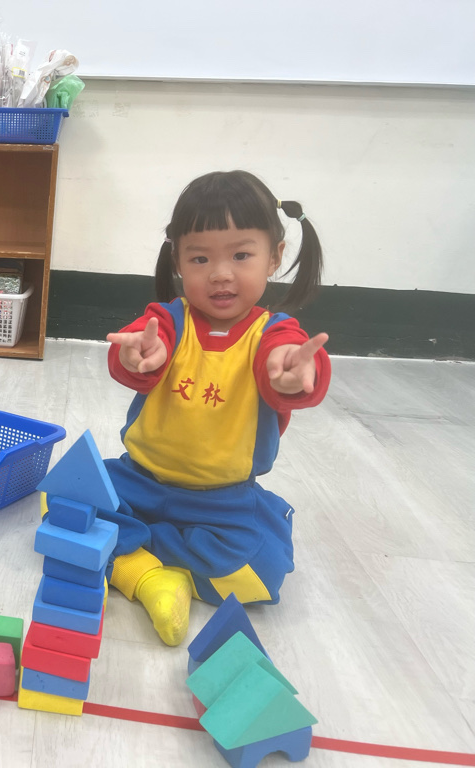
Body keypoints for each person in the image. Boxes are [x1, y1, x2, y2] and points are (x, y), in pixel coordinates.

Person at [100, 170, 331, 646]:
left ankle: (133, 557)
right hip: (139, 478)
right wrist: (137, 356)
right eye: (200, 258)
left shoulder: (273, 334)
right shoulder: (168, 320)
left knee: (262, 573)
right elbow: (141, 347)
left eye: (241, 255)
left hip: (222, 499)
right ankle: (153, 577)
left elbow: (289, 361)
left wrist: (293, 374)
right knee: (59, 495)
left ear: (275, 257)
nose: (221, 273)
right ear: (179, 262)